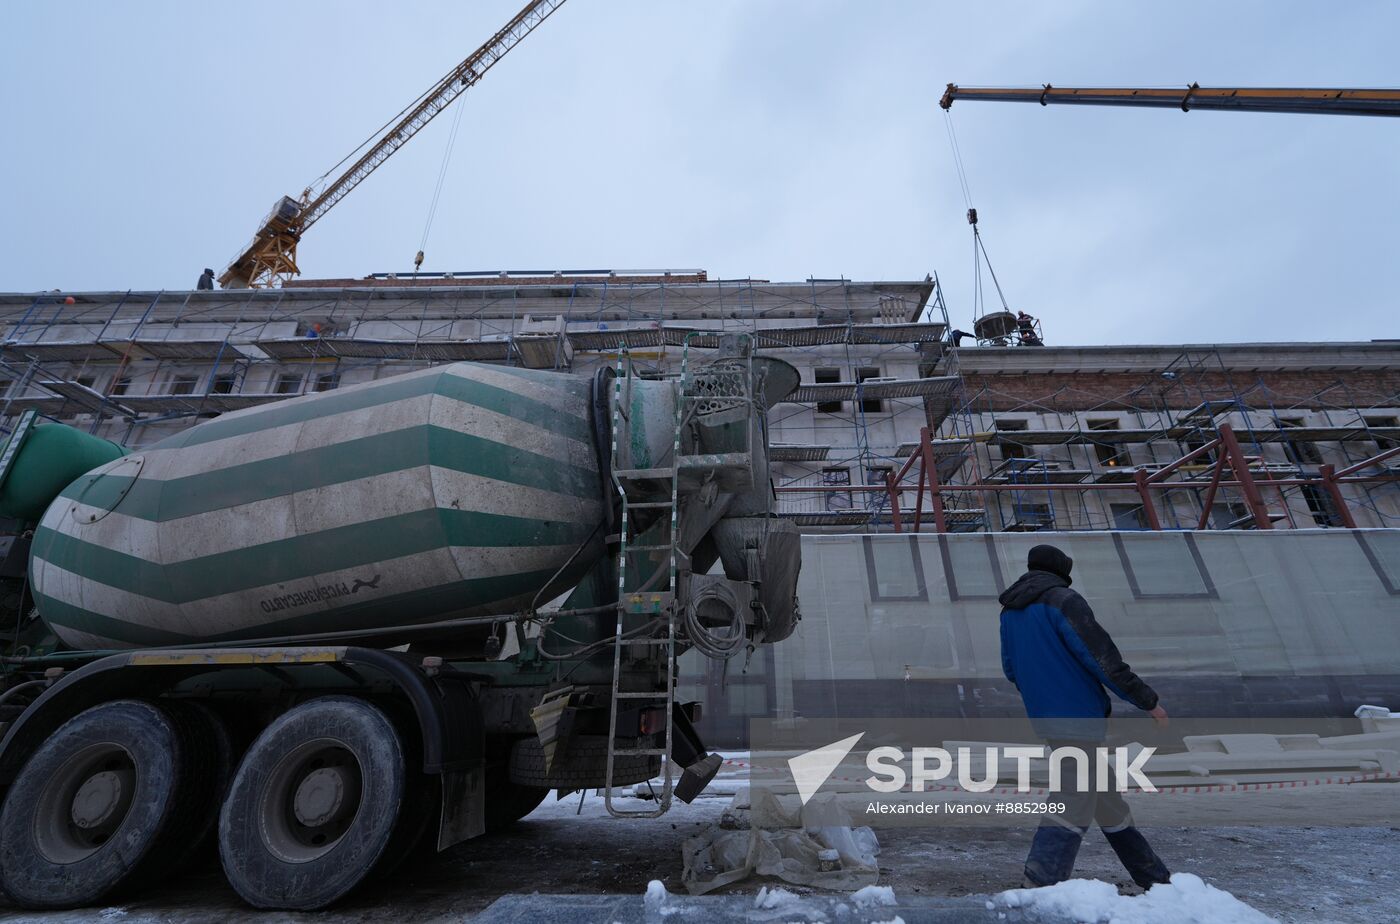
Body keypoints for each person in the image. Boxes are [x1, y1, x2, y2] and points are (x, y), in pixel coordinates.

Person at [998, 543, 1171, 890]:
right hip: (1079, 715)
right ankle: (1041, 881)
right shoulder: (1064, 601)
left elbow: (1011, 669)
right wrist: (1146, 700)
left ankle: (1155, 878)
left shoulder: (1009, 612)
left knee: (1104, 796)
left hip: (1046, 715)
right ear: (1062, 571)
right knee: (1074, 795)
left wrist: (1042, 695)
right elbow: (1102, 658)